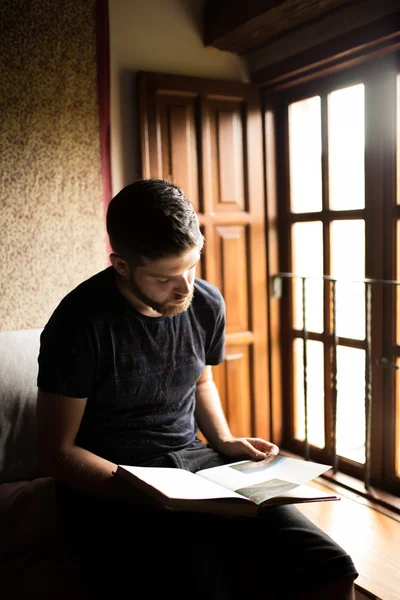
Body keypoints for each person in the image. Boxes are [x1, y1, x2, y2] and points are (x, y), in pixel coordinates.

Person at [35, 178, 358, 599]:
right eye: (167, 277)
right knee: (203, 584)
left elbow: (200, 378)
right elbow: (57, 452)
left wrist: (223, 439)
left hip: (197, 466)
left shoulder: (205, 303)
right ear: (121, 266)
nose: (186, 288)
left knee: (331, 564)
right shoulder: (79, 325)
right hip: (115, 483)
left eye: (192, 266)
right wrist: (145, 491)